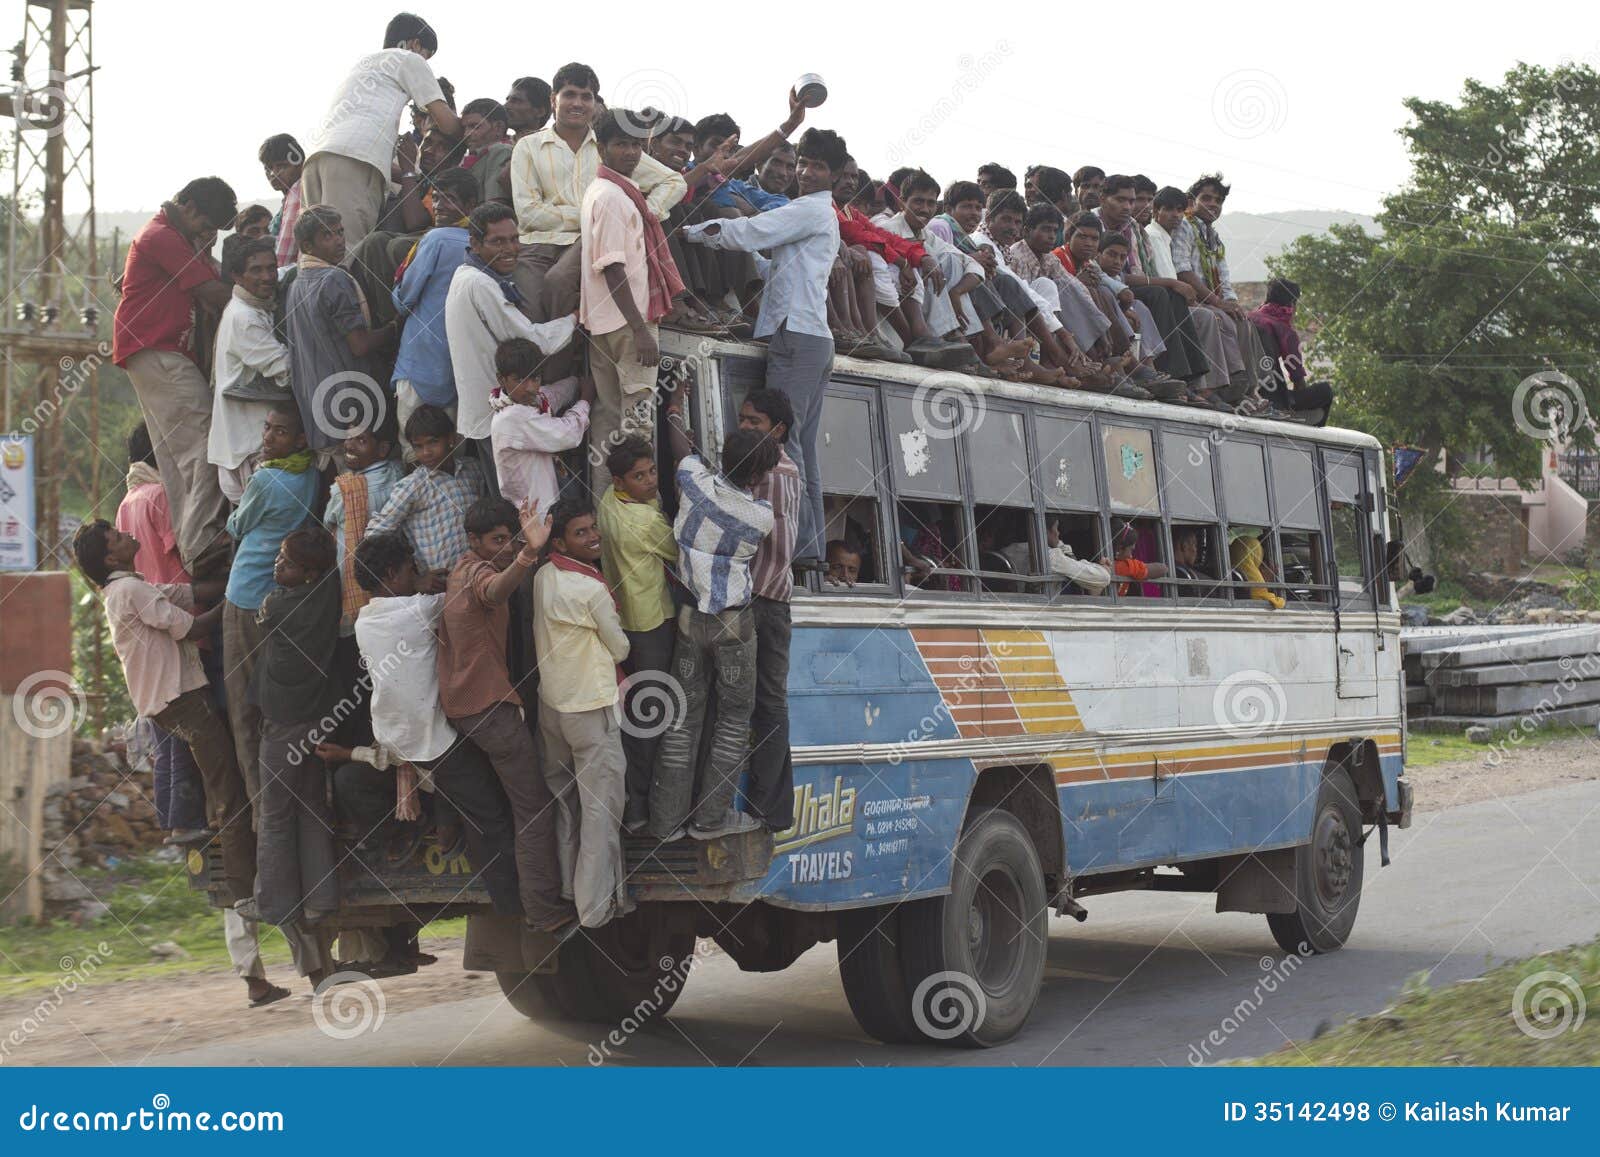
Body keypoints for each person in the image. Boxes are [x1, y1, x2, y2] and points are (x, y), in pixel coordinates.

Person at [70, 521, 255, 955]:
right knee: (227, 791)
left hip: (169, 703)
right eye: (116, 537)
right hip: (182, 701)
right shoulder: (129, 593)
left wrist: (235, 576)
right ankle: (246, 889)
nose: (125, 535)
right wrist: (241, 597)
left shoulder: (129, 588)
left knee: (219, 788)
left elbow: (190, 595)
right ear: (112, 558)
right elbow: (192, 626)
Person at [681, 127, 847, 564]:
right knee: (802, 450)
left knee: (782, 448)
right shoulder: (810, 212)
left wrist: (689, 233)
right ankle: (807, 550)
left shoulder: (809, 210)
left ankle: (792, 550)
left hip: (798, 338)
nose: (807, 173)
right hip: (811, 337)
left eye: (818, 167)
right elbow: (768, 256)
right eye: (803, 164)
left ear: (835, 174)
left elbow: (748, 233)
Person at [334, 533, 522, 914]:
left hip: (396, 736)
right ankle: (514, 906)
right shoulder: (418, 612)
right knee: (489, 815)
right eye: (411, 569)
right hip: (432, 738)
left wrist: (415, 584)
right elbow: (464, 599)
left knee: (466, 795)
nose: (417, 574)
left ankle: (443, 823)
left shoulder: (365, 621)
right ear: (391, 573)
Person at [437, 497, 573, 932]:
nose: (504, 547)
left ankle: (519, 904)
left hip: (462, 710)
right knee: (533, 811)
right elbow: (495, 590)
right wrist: (528, 553)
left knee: (503, 811)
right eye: (496, 541)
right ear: (473, 541)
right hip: (491, 711)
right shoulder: (479, 573)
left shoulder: (460, 567)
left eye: (509, 539)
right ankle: (544, 912)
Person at [648, 418, 779, 841]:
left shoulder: (692, 481)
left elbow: (680, 447)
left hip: (689, 618)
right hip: (734, 623)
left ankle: (666, 822)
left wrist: (673, 404)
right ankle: (710, 820)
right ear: (758, 476)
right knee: (734, 720)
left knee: (682, 718)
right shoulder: (761, 517)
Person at [113, 176, 237, 577]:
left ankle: (192, 541)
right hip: (158, 349)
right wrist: (263, 296)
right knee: (205, 442)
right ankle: (201, 539)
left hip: (152, 350)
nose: (210, 235)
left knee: (175, 454)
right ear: (189, 208)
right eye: (207, 226)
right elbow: (213, 293)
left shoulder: (167, 235)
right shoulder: (164, 237)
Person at [508, 61, 686, 340]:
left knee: (558, 285)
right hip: (537, 245)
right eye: (569, 95)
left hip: (590, 242)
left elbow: (674, 181)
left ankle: (559, 380)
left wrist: (641, 213)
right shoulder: (528, 146)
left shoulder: (609, 147)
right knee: (529, 315)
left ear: (594, 103)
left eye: (586, 96)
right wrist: (592, 214)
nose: (577, 103)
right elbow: (529, 215)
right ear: (554, 100)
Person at [532, 498, 633, 928]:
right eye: (581, 532)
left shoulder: (541, 577)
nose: (593, 536)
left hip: (551, 706)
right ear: (559, 540)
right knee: (601, 810)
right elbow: (621, 647)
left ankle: (571, 889)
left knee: (566, 803)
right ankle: (593, 910)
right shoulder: (591, 589)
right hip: (590, 709)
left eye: (593, 528)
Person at [580, 109, 687, 493]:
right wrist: (641, 330)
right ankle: (638, 512)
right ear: (602, 147)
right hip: (628, 325)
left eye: (636, 145)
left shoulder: (610, 190)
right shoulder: (612, 197)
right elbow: (611, 268)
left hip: (606, 322)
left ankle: (607, 510)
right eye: (621, 144)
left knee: (609, 421)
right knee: (637, 425)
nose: (630, 153)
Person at [251, 529, 341, 986]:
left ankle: (275, 903)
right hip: (317, 719)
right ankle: (321, 898)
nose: (275, 567)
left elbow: (260, 614)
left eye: (285, 562)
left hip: (283, 723)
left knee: (276, 814)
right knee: (310, 809)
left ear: (308, 573)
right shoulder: (329, 593)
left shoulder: (277, 607)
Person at [221, 405, 320, 799]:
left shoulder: (267, 480)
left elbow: (236, 525)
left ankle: (262, 808)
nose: (267, 438)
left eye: (279, 432)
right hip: (282, 599)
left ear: (298, 440)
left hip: (245, 598)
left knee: (244, 710)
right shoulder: (310, 475)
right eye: (266, 429)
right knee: (278, 708)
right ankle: (291, 797)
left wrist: (255, 478)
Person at [301, 12, 460, 254]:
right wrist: (473, 125)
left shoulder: (363, 65)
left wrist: (411, 172)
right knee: (346, 253)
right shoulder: (409, 58)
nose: (426, 62)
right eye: (427, 55)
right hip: (354, 162)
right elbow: (448, 124)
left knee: (314, 255)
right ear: (416, 44)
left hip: (316, 159)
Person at [115, 425, 206, 841]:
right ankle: (189, 818)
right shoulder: (159, 497)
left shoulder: (127, 502)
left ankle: (172, 819)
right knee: (192, 728)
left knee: (165, 729)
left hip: (152, 626)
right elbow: (186, 549)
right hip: (182, 615)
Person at [444, 202, 579, 482]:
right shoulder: (481, 284)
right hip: (495, 418)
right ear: (475, 244)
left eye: (514, 239)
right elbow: (532, 342)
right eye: (497, 242)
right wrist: (574, 318)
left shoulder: (467, 276)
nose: (510, 249)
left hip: (485, 415)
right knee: (522, 505)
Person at [594, 436, 679, 832]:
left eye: (651, 472)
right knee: (650, 717)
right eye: (639, 476)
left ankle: (629, 800)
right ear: (620, 478)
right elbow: (681, 552)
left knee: (630, 714)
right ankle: (639, 807)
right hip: (651, 624)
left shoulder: (609, 500)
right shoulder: (646, 521)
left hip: (622, 621)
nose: (650, 482)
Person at [738, 389, 803, 832]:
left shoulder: (768, 471)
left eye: (754, 422)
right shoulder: (785, 465)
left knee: (758, 705)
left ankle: (763, 804)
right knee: (769, 705)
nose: (744, 428)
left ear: (776, 431)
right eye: (741, 420)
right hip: (772, 598)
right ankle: (771, 808)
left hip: (761, 599)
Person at [284, 205, 397, 454]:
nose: (338, 241)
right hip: (352, 408)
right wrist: (396, 325)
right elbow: (360, 345)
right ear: (306, 245)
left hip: (320, 411)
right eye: (327, 235)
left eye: (340, 232)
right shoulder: (334, 279)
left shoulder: (296, 283)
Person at [390, 167, 481, 441]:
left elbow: (403, 300)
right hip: (458, 373)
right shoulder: (481, 244)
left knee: (414, 449)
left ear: (470, 205)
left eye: (448, 198)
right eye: (436, 198)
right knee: (451, 452)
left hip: (419, 363)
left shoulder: (436, 239)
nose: (440, 206)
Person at [209, 236, 291, 503]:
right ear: (237, 276)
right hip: (249, 448)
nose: (267, 276)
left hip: (248, 443)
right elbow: (286, 369)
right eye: (256, 270)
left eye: (271, 268)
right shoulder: (244, 318)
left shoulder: (253, 307)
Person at [364, 404, 485, 579]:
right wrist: (414, 579)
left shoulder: (472, 469)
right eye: (418, 446)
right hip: (441, 587)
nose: (426, 452)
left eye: (433, 442)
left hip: (479, 575)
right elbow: (374, 535)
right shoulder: (412, 486)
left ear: (450, 438)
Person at [1174, 174, 1266, 402]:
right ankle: (1228, 382)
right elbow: (1183, 271)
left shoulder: (1213, 236)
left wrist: (1231, 301)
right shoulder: (1184, 226)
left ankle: (1249, 389)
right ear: (1191, 201)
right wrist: (1218, 303)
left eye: (1218, 200)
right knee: (1222, 319)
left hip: (1212, 298)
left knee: (1242, 320)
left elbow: (1223, 275)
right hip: (1192, 298)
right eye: (1206, 198)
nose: (1213, 204)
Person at [489, 337, 591, 509]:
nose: (529, 387)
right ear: (501, 379)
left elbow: (552, 395)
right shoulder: (513, 417)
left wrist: (576, 382)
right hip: (534, 510)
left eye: (535, 378)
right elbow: (568, 434)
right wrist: (585, 399)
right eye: (520, 380)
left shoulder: (524, 401)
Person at [1248, 278, 1334, 423]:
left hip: (1244, 392)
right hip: (1272, 399)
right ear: (1293, 304)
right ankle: (1293, 417)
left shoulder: (1248, 317)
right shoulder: (1284, 329)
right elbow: (1297, 377)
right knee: (1325, 391)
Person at [1000, 518, 1111, 595]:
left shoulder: (1007, 550)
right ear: (1044, 530)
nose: (1058, 533)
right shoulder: (1049, 555)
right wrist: (1104, 569)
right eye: (1056, 528)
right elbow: (1103, 578)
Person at [260, 134, 305, 267]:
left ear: (299, 164)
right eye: (268, 168)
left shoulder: (297, 190)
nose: (273, 174)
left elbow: (284, 258)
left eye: (282, 166)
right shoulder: (287, 198)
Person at [460, 97, 513, 205]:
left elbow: (495, 204)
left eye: (474, 127)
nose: (466, 134)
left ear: (498, 127)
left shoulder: (501, 151)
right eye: (464, 128)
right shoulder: (475, 156)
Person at [1106, 521, 1168, 596]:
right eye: (1131, 550)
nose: (1131, 556)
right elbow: (1163, 569)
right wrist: (1134, 568)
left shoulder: (1107, 564)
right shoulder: (1121, 567)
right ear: (1119, 548)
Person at [1229, 527, 1285, 609]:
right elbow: (1277, 603)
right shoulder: (1250, 582)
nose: (1276, 569)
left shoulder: (1228, 573)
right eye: (1263, 561)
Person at [504, 76, 551, 143]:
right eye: (507, 100)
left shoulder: (552, 145)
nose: (505, 106)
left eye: (516, 101)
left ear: (540, 112)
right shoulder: (495, 146)